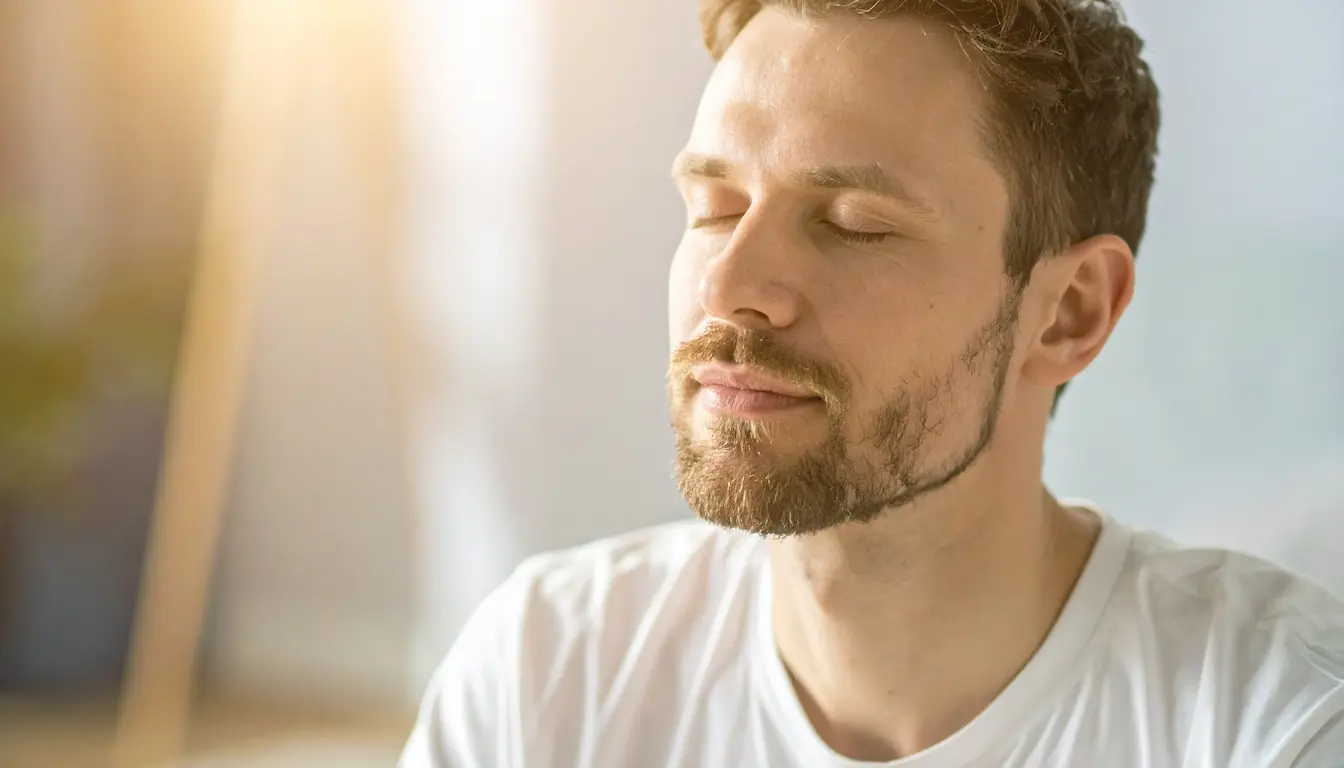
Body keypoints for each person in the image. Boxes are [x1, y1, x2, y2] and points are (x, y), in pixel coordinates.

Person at [400, 1, 1344, 765]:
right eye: (716, 207)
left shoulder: (1277, 724)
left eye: (854, 223)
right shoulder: (546, 672)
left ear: (1069, 313)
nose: (729, 289)